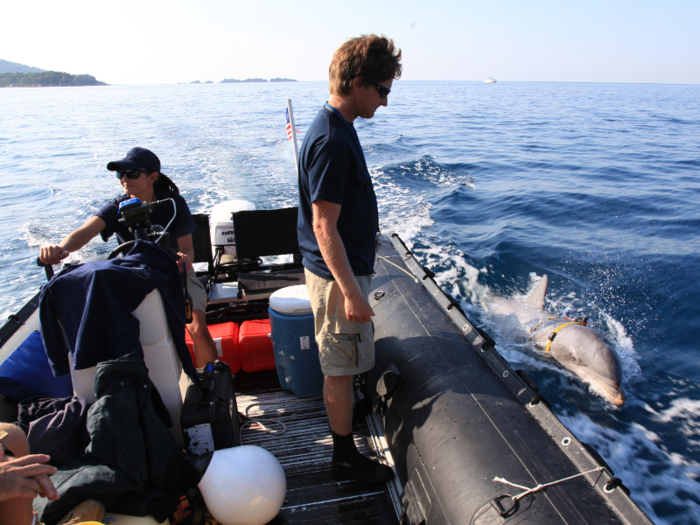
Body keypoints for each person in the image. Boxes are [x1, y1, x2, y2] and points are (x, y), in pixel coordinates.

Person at [297, 34, 402, 483]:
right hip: (335, 275)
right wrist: (351, 291)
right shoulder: (333, 141)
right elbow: (324, 225)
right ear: (358, 83)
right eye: (382, 91)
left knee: (343, 359)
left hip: (335, 269)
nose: (384, 101)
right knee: (338, 368)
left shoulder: (335, 128)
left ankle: (347, 421)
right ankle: (343, 457)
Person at [39, 147, 217, 368]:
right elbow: (85, 232)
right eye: (120, 173)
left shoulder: (174, 203)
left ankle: (211, 379)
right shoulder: (116, 207)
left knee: (197, 329)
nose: (125, 179)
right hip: (135, 277)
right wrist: (60, 249)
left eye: (132, 173)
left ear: (153, 177)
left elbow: (187, 249)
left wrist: (185, 260)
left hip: (175, 272)